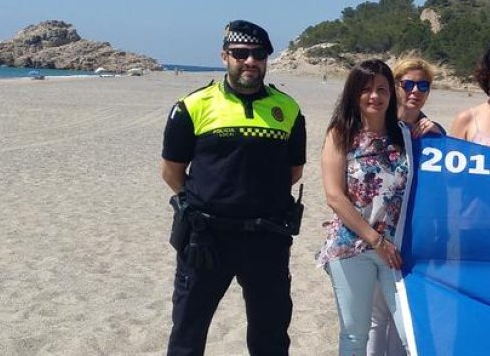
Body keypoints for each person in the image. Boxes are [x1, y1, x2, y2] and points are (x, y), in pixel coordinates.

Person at [160, 20, 306, 356]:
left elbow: (293, 172)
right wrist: (204, 204)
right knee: (188, 332)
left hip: (267, 239)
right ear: (225, 56)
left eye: (258, 54)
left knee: (270, 335)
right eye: (241, 53)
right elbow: (171, 171)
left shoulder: (288, 110)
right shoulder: (193, 105)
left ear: (267, 59)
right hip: (205, 239)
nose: (250, 61)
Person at [317, 59, 410, 356]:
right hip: (350, 247)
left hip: (397, 251)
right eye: (366, 89)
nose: (375, 96)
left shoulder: (405, 136)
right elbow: (335, 196)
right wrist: (375, 240)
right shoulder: (340, 134)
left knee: (411, 331)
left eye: (382, 89)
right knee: (355, 334)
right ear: (353, 94)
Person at [365, 57, 444, 356]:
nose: (415, 91)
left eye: (423, 85)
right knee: (376, 317)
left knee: (404, 316)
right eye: (408, 84)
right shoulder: (376, 125)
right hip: (376, 232)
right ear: (396, 86)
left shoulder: (434, 134)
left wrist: (438, 136)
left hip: (414, 235)